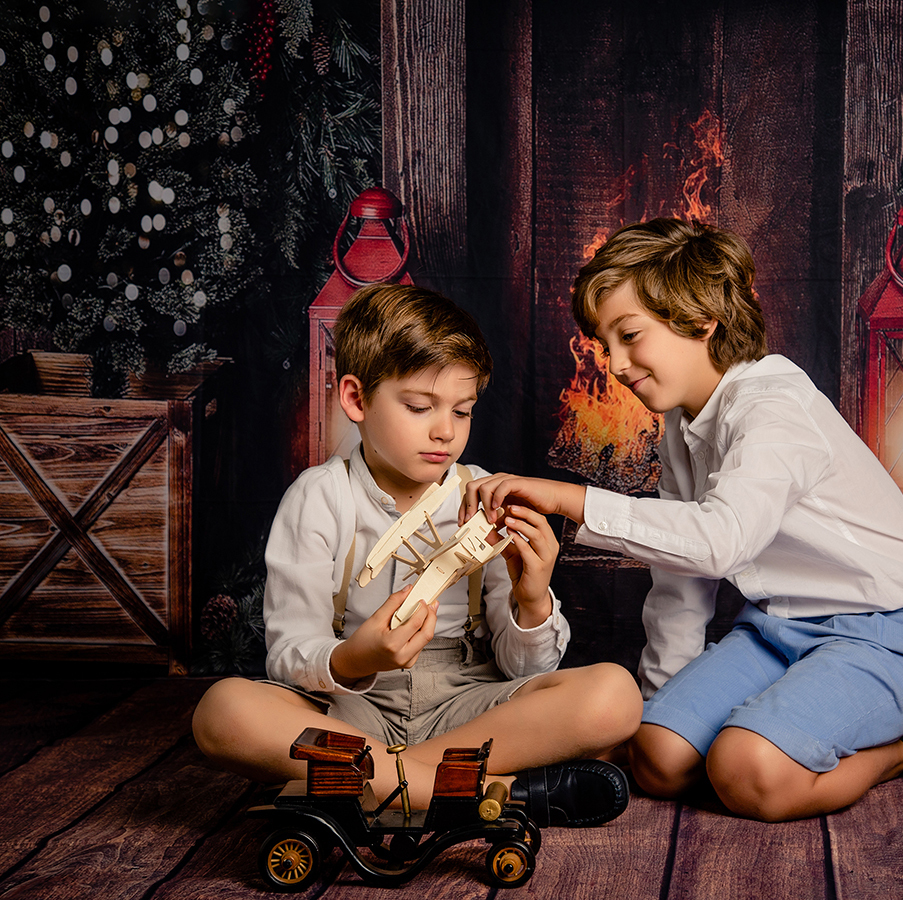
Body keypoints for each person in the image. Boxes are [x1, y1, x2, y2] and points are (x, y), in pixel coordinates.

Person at [465, 218, 903, 822]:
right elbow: (680, 580)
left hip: (887, 633)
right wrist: (660, 707)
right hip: (777, 630)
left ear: (700, 320)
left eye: (629, 336)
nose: (616, 365)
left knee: (744, 771)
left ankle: (901, 747)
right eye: (604, 345)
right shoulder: (682, 424)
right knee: (657, 759)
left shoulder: (773, 409)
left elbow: (719, 543)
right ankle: (758, 724)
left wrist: (571, 499)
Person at [193, 283, 641, 828]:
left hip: (467, 705)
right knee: (223, 712)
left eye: (463, 410)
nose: (445, 432)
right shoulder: (318, 497)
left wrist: (530, 602)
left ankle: (384, 784)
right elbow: (288, 653)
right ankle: (463, 789)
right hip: (355, 709)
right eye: (418, 406)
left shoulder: (484, 495)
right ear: (356, 399)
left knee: (614, 695)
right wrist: (356, 659)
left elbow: (523, 669)